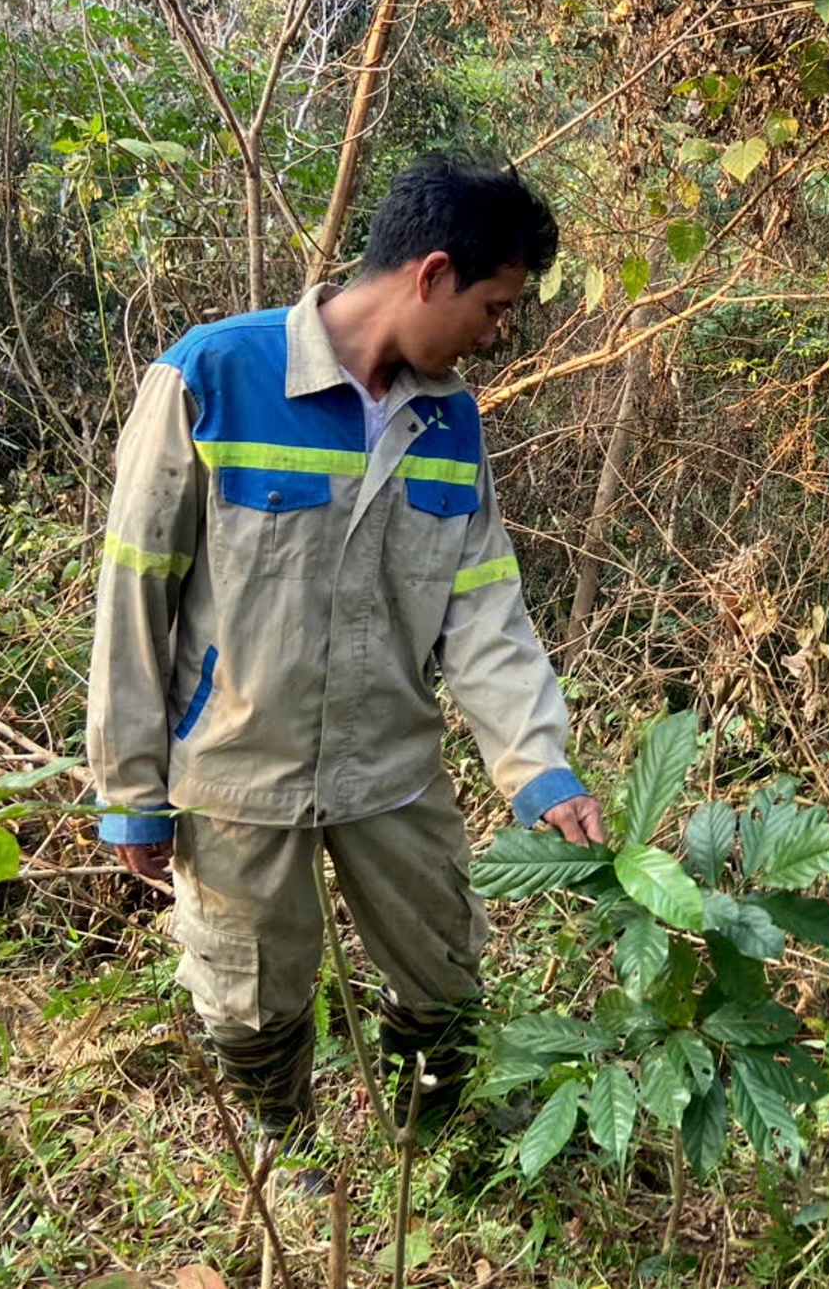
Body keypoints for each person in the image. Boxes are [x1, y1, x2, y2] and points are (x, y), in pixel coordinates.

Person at [86, 155, 603, 1165]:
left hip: (392, 771)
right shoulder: (213, 376)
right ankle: (290, 1155)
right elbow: (135, 591)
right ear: (433, 273)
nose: (496, 334)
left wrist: (536, 762)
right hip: (237, 771)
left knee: (445, 972)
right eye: (494, 307)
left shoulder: (447, 419)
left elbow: (483, 607)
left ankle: (437, 1147)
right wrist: (130, 789)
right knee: (250, 995)